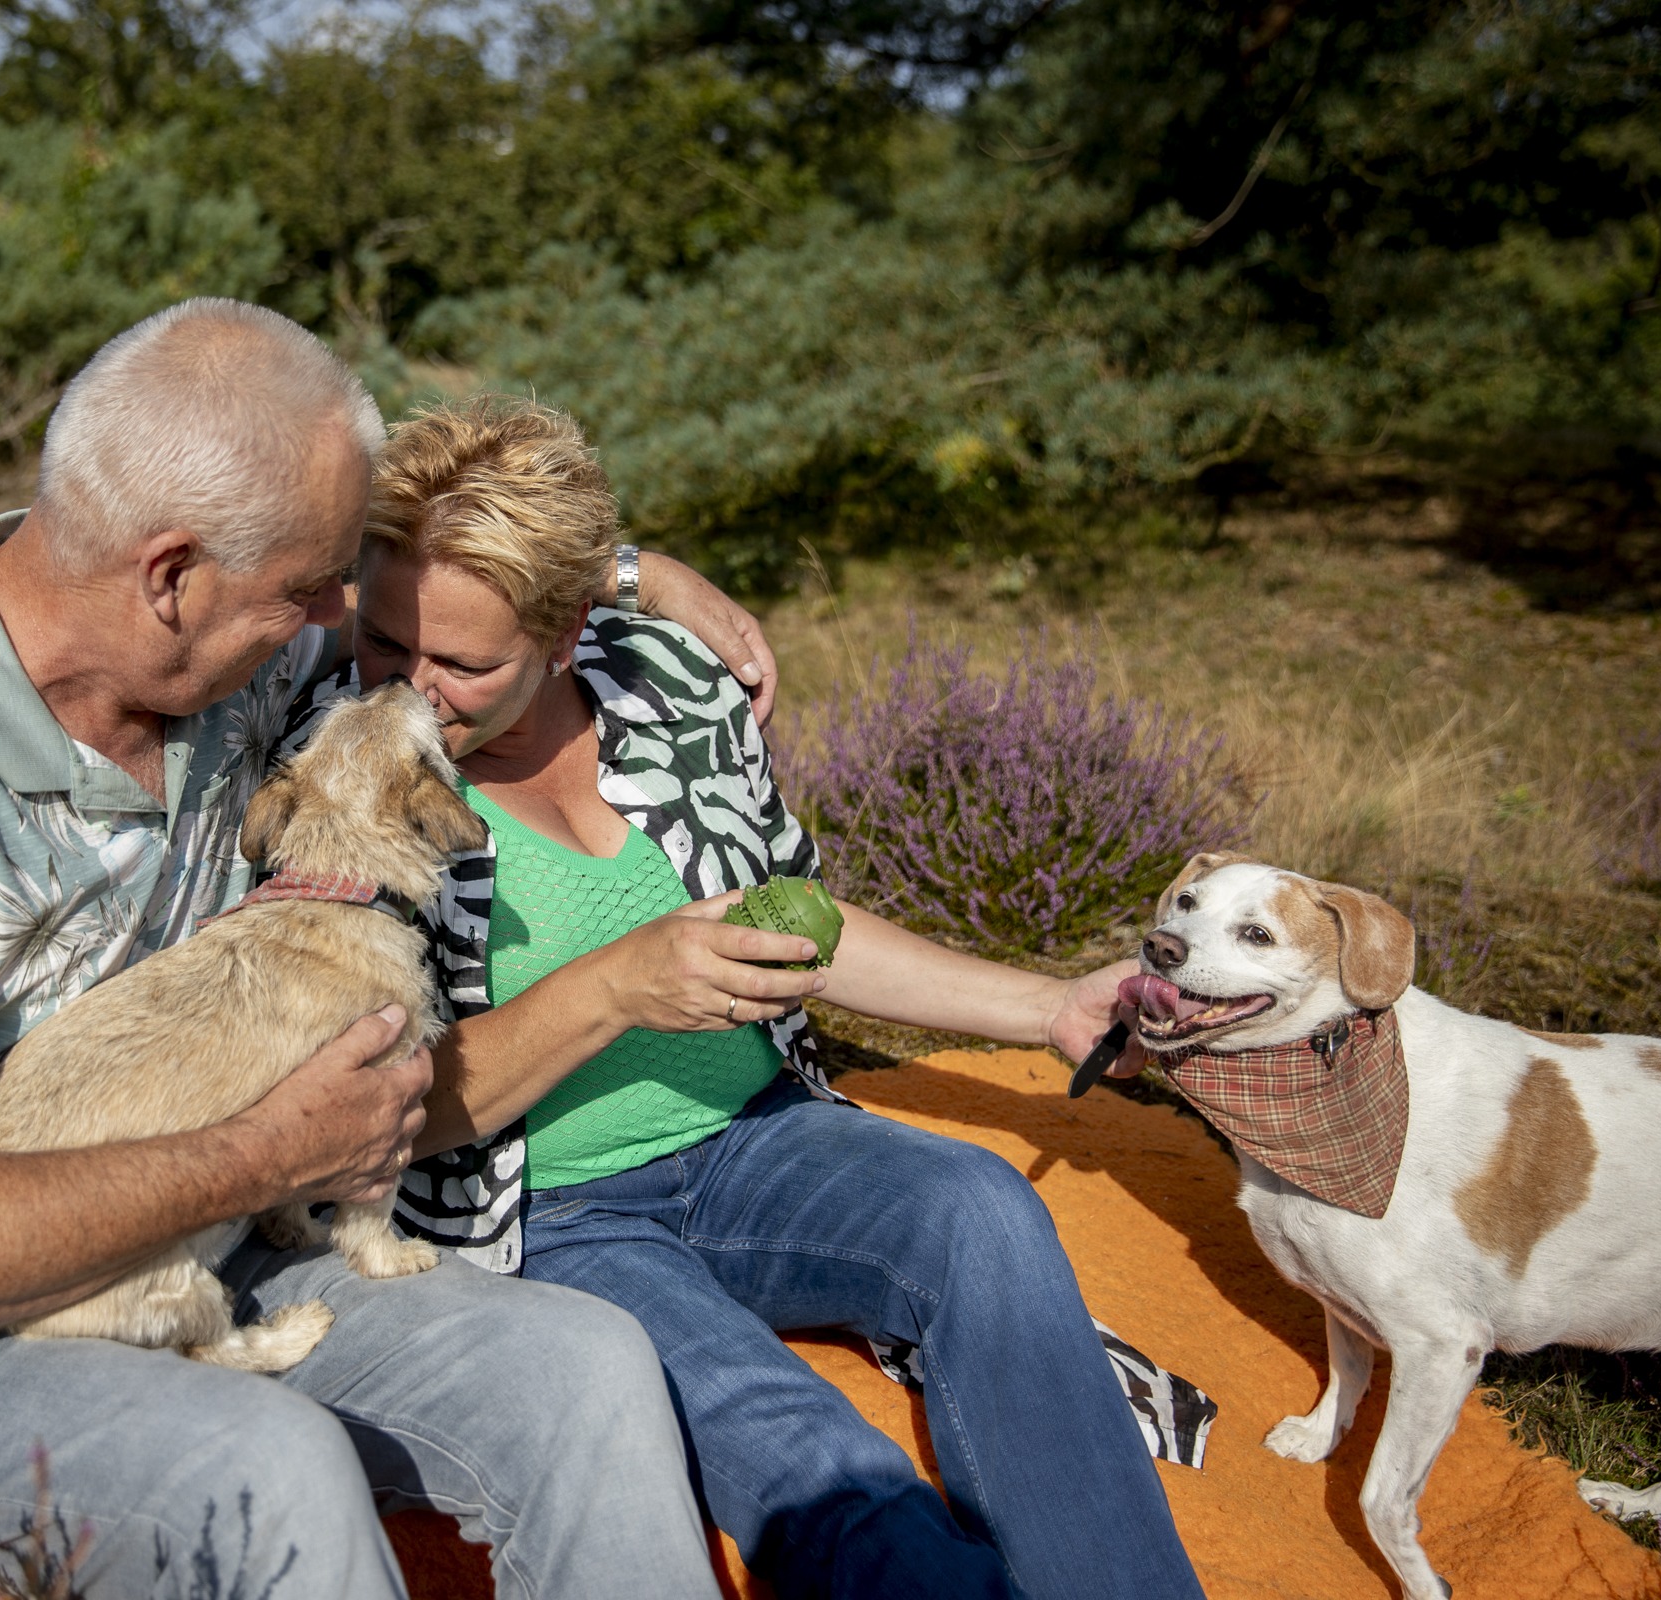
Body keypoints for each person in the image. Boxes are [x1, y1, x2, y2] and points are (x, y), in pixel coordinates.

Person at [0, 301, 778, 1600]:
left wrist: (624, 576)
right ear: (168, 576)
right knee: (268, 1467)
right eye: (309, 586)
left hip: (206, 1239)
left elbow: (441, 612)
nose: (338, 615)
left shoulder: (222, 671)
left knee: (589, 1370)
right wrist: (271, 1153)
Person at [349, 396, 1209, 1600]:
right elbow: (383, 1112)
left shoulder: (664, 687)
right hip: (549, 1218)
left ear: (566, 633)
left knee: (979, 1208)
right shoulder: (344, 770)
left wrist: (1049, 1007)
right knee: (811, 1457)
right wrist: (612, 987)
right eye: (384, 642)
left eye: (463, 662)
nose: (408, 689)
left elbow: (790, 922)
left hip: (760, 1142)